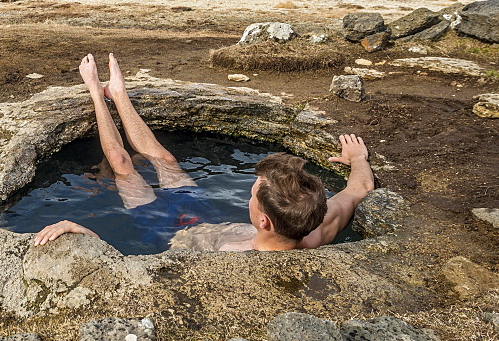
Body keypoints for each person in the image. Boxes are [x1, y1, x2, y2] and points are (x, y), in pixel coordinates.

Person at [33, 53, 375, 252]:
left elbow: (129, 266)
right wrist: (357, 159)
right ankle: (119, 95)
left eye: (254, 194)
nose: (250, 193)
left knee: (123, 165)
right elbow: (358, 190)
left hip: (165, 231)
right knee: (165, 160)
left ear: (264, 219)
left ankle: (95, 90)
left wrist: (82, 231)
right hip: (201, 214)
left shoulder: (229, 258)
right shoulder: (315, 230)